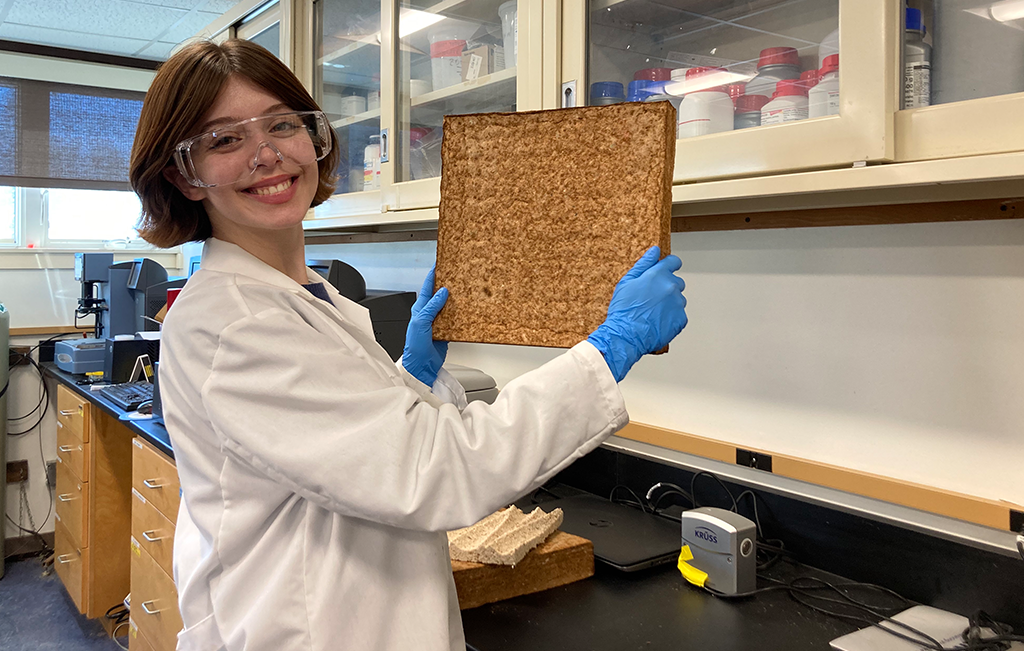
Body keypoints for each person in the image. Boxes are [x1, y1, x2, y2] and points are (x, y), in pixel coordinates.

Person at [128, 38, 688, 651]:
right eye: (225, 139)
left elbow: (357, 447)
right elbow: (432, 471)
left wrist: (413, 376)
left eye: (282, 124)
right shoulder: (233, 323)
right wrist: (610, 348)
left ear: (313, 137)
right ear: (185, 176)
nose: (267, 154)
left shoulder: (305, 297)